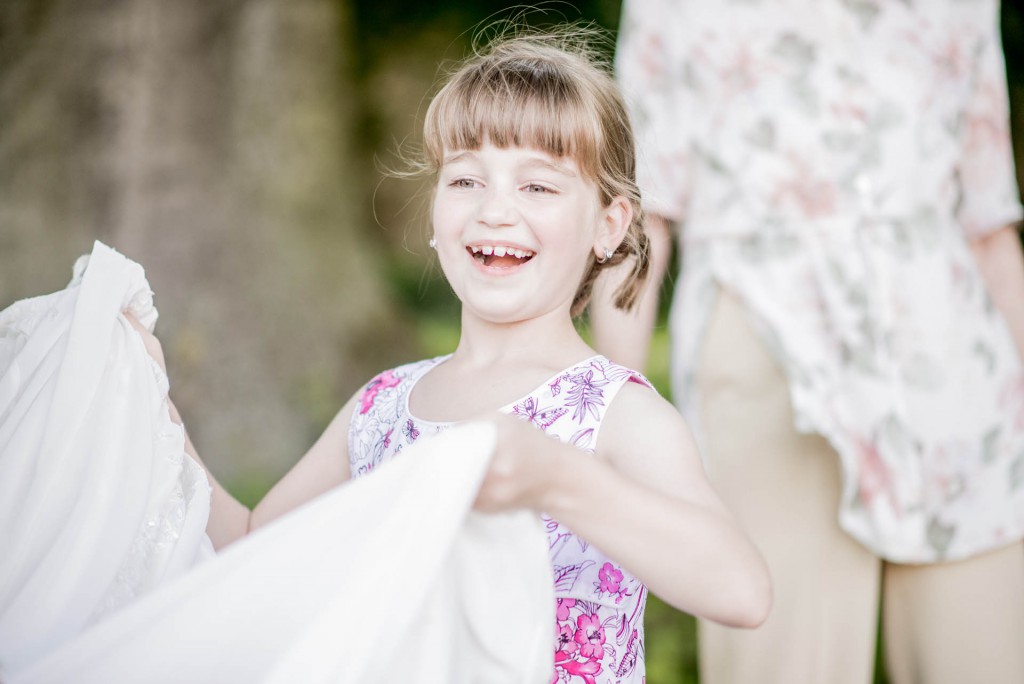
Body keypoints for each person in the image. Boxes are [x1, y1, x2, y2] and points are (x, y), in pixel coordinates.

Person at [127, 30, 771, 683]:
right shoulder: (382, 406)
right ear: (435, 216)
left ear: (608, 226)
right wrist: (150, 403)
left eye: (539, 188)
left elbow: (741, 592)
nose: (495, 209)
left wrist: (558, 479)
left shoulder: (618, 416)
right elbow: (250, 548)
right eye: (466, 179)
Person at [597, 1, 1024, 683]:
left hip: (955, 365)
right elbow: (640, 222)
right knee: (780, 659)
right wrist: (604, 423)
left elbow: (989, 222)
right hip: (768, 347)